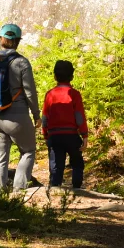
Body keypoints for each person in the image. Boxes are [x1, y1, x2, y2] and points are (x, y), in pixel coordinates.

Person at [0, 23, 39, 191]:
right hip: (16, 118)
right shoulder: (21, 62)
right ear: (17, 41)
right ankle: (19, 193)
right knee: (28, 151)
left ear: (0, 39)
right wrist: (36, 114)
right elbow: (29, 92)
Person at [41, 59, 88, 191]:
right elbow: (79, 117)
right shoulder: (75, 94)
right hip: (72, 135)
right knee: (77, 162)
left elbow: (45, 117)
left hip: (55, 136)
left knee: (56, 164)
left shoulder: (50, 94)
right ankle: (77, 188)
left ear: (55, 76)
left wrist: (45, 134)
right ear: (72, 77)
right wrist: (84, 135)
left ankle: (55, 188)